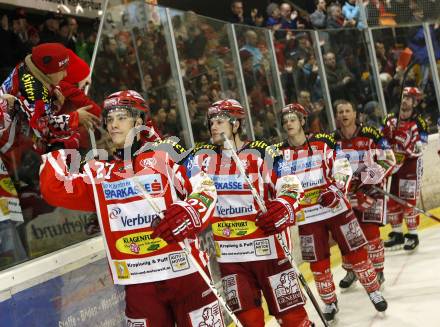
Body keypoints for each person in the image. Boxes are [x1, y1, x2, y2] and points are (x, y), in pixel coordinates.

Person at [39, 90, 225, 327]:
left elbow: (205, 187)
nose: (113, 125)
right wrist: (57, 144)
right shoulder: (100, 172)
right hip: (139, 283)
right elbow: (55, 189)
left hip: (186, 273)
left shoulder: (167, 153)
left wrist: (191, 211)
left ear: (138, 121)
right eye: (109, 119)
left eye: (121, 117)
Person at [173, 99, 312, 326]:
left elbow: (290, 182)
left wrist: (285, 204)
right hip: (231, 256)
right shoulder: (200, 158)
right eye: (211, 122)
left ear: (236, 125)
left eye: (220, 122)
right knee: (248, 319)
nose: (213, 127)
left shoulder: (262, 151)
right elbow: (172, 172)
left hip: (270, 251)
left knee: (292, 317)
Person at [276, 103, 388, 322]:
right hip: (308, 216)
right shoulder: (279, 154)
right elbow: (279, 184)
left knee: (357, 252)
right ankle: (329, 302)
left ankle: (374, 291)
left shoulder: (324, 142)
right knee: (318, 264)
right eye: (285, 120)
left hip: (336, 209)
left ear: (302, 121)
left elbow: (342, 167)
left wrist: (337, 189)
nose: (288, 123)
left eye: (292, 118)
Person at [331, 100, 396, 289]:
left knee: (371, 233)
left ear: (355, 114)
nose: (344, 114)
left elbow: (389, 159)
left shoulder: (370, 134)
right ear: (337, 116)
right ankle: (351, 271)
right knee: (348, 236)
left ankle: (379, 271)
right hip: (347, 194)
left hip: (371, 191)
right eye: (340, 111)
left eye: (347, 111)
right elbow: (328, 168)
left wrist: (369, 178)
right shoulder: (332, 139)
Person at [382, 87, 428, 250]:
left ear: (416, 102)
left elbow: (421, 147)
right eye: (404, 96)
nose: (405, 100)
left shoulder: (419, 122)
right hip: (393, 167)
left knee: (408, 202)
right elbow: (382, 140)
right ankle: (397, 234)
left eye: (410, 98)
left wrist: (405, 147)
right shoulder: (390, 119)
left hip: (410, 166)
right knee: (393, 200)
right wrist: (388, 138)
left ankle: (412, 234)